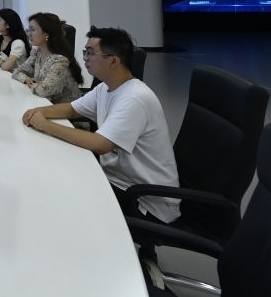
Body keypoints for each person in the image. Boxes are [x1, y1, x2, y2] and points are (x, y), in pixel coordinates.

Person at [21, 26, 180, 225]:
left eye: (90, 53)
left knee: (59, 196)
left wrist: (45, 125)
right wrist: (37, 112)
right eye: (85, 52)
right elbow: (72, 110)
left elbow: (100, 144)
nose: (85, 58)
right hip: (118, 180)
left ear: (114, 61)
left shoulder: (135, 98)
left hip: (146, 202)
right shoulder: (106, 87)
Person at [11, 12, 82, 104]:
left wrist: (33, 84)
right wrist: (26, 79)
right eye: (28, 30)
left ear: (47, 34)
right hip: (43, 102)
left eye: (32, 30)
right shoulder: (37, 52)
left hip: (63, 109)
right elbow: (16, 72)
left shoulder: (60, 60)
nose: (28, 34)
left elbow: (44, 91)